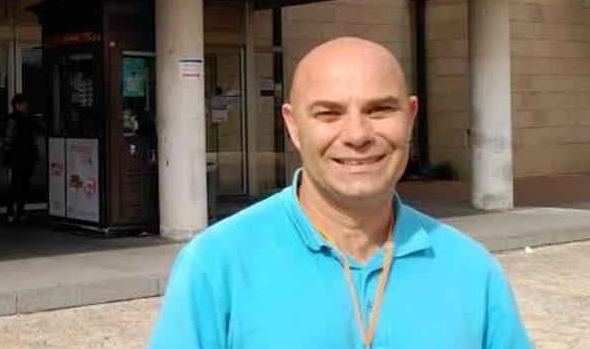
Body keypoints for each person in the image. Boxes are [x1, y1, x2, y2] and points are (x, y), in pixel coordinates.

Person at [149, 37, 531, 348]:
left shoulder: (470, 269)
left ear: (410, 117)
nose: (357, 135)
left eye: (380, 109)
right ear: (293, 126)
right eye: (328, 114)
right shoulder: (218, 264)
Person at [3, 93, 39, 223]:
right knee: (19, 184)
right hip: (21, 155)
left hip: (20, 155)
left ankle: (15, 211)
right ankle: (16, 211)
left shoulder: (19, 118)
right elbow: (9, 136)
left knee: (19, 184)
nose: (26, 106)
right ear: (18, 104)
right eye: (24, 103)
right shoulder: (20, 119)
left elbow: (8, 137)